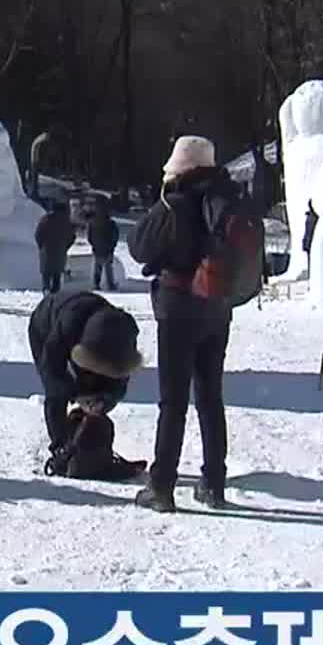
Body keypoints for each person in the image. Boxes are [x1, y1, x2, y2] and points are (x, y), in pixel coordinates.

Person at [129, 136, 242, 513]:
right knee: (211, 398)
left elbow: (139, 246)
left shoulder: (175, 203)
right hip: (217, 309)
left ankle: (161, 486)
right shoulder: (227, 200)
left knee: (173, 401)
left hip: (178, 310)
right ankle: (214, 484)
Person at [27, 289, 144, 477]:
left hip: (88, 324)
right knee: (60, 390)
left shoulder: (124, 334)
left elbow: (120, 380)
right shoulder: (65, 328)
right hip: (44, 324)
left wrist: (103, 401)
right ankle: (65, 444)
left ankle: (85, 436)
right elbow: (53, 380)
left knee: (98, 391)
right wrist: (74, 393)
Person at [34, 201, 76, 294]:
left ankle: (46, 292)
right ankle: (55, 296)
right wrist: (65, 247)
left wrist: (41, 246)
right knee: (57, 277)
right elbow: (72, 237)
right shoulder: (66, 222)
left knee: (46, 276)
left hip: (46, 252)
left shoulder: (45, 219)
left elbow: (38, 235)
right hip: (60, 253)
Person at [87, 195, 121, 291]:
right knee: (108, 268)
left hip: (97, 247)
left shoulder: (92, 222)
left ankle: (96, 284)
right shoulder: (110, 222)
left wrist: (93, 244)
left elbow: (89, 236)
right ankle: (110, 285)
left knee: (97, 267)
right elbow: (115, 235)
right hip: (108, 248)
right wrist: (113, 245)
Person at [301, 201, 319, 277]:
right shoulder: (315, 218)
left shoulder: (310, 217)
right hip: (312, 243)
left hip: (309, 243)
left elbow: (307, 231)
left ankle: (312, 276)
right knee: (314, 261)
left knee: (311, 261)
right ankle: (313, 276)